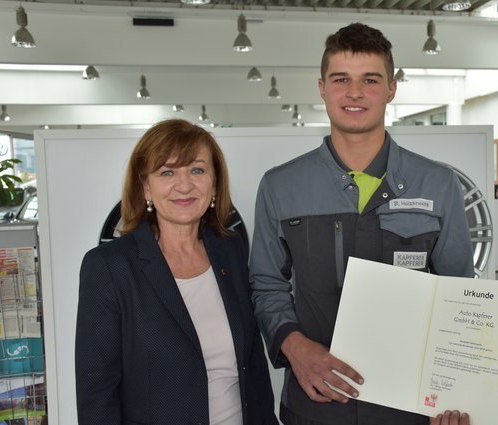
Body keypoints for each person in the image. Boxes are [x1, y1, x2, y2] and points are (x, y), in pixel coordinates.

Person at [250, 23, 474, 425]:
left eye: (370, 80)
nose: (355, 93)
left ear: (391, 88)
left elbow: (458, 292)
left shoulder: (437, 184)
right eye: (341, 80)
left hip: (409, 409)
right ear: (322, 88)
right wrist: (296, 347)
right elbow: (266, 284)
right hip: (316, 405)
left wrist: (457, 393)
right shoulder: (281, 186)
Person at [75, 119, 278, 425]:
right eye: (167, 172)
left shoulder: (231, 253)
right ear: (146, 187)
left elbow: (253, 365)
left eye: (197, 170)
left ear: (214, 183)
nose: (184, 185)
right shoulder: (109, 266)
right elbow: (97, 396)